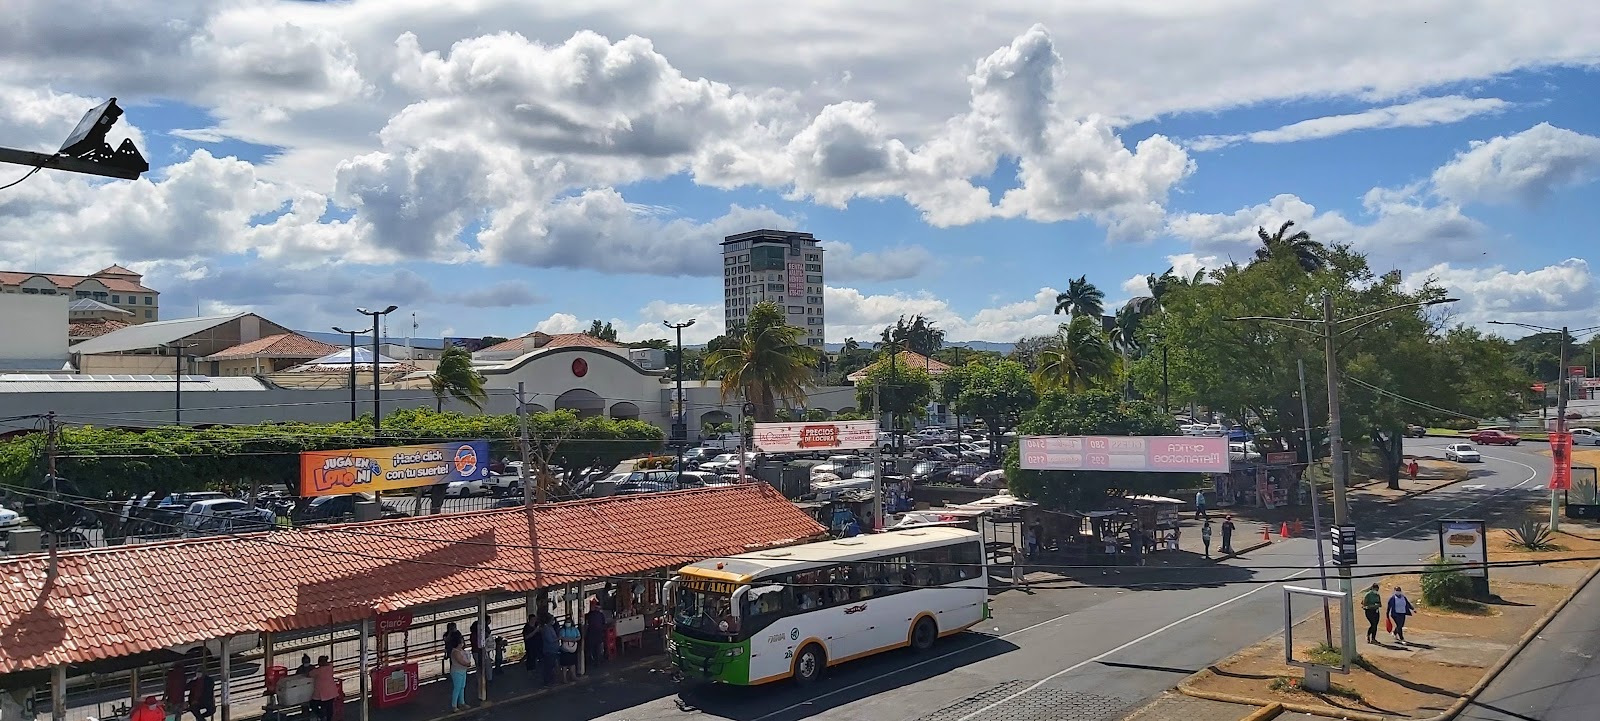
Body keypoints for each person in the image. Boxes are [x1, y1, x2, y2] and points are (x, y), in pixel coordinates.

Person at [309, 656, 338, 721]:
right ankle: (328, 719)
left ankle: (321, 715)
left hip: (322, 694)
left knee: (313, 704)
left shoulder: (318, 671)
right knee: (329, 708)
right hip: (331, 692)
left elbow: (310, 674)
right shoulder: (330, 667)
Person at [447, 641, 473, 710]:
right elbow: (460, 661)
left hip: (462, 670)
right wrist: (467, 664)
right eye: (461, 642)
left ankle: (462, 702)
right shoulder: (455, 652)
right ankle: (454, 705)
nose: (462, 644)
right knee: (457, 688)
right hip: (457, 671)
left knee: (462, 687)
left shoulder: (460, 650)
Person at [585, 599, 609, 666]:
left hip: (592, 634)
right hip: (598, 634)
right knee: (597, 648)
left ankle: (594, 661)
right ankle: (597, 661)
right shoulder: (600, 615)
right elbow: (604, 624)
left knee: (593, 648)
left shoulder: (590, 614)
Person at [539, 613, 560, 686]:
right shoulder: (546, 629)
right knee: (548, 667)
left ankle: (551, 680)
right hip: (549, 650)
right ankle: (547, 682)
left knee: (551, 666)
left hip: (553, 650)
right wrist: (558, 638)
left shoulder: (550, 627)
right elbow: (550, 640)